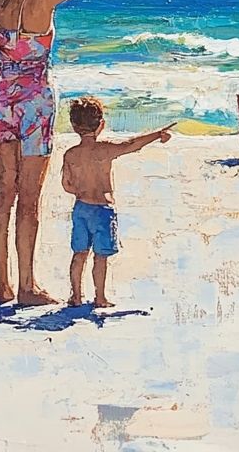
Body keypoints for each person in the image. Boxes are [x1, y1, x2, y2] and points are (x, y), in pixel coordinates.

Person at [0, 0, 165, 306]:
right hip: (34, 104)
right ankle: (27, 286)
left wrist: (9, 72)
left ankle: (2, 286)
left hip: (2, 103)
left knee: (2, 198)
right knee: (28, 199)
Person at [60, 96, 174, 307]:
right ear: (101, 125)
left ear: (74, 125)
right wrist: (157, 135)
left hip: (81, 208)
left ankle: (75, 296)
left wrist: (80, 190)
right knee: (100, 257)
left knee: (79, 254)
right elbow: (132, 144)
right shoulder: (105, 149)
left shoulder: (70, 154)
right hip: (103, 210)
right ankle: (100, 297)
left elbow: (66, 184)